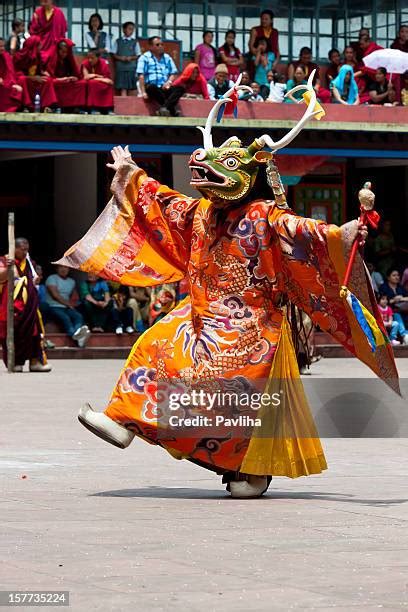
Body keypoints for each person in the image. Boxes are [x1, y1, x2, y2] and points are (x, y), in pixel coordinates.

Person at [59, 80, 398, 500]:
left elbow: (305, 233)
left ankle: (247, 470)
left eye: (228, 163)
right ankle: (123, 419)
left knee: (224, 395)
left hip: (250, 326)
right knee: (152, 346)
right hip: (198, 314)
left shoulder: (264, 215)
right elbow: (162, 204)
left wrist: (345, 234)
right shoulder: (201, 211)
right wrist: (133, 175)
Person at [0, 238, 51, 372]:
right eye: (22, 249)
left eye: (26, 249)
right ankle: (15, 362)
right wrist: (8, 269)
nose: (25, 252)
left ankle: (35, 362)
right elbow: (1, 277)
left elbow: (33, 279)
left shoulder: (29, 262)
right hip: (11, 305)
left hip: (28, 305)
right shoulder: (5, 260)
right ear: (14, 248)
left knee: (34, 333)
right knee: (12, 333)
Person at [45, 265, 90, 347]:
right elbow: (55, 295)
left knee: (78, 316)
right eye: (61, 267)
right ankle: (76, 336)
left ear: (69, 269)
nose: (63, 269)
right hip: (53, 306)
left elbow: (74, 296)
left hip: (66, 307)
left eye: (66, 267)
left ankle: (78, 335)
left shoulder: (71, 281)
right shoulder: (52, 278)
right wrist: (68, 304)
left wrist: (74, 303)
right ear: (57, 269)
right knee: (65, 318)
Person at [136, 36, 180, 117]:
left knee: (180, 89)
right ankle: (171, 109)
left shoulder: (167, 57)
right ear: (150, 47)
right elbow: (141, 75)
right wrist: (143, 92)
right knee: (151, 88)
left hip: (164, 87)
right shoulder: (144, 57)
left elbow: (173, 73)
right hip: (152, 87)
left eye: (162, 44)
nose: (160, 46)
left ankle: (164, 108)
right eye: (157, 45)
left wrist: (168, 82)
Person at [14, 35, 58, 112]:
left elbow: (38, 70)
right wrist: (32, 78)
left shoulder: (38, 56)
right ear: (34, 46)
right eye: (39, 45)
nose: (41, 47)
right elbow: (17, 74)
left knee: (47, 80)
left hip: (34, 79)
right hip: (26, 80)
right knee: (22, 80)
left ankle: (46, 106)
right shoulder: (19, 56)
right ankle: (26, 106)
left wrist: (42, 73)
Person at [46, 38, 86, 112]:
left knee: (81, 83)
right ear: (58, 50)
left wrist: (73, 78)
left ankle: (75, 107)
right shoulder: (52, 58)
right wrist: (61, 79)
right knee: (52, 83)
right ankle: (54, 106)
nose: (64, 54)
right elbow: (49, 76)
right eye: (62, 52)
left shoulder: (68, 59)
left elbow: (75, 73)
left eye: (66, 52)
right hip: (57, 81)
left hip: (66, 81)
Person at [379, 269, 408, 345]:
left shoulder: (400, 287)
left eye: (398, 275)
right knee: (396, 315)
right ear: (388, 277)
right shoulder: (384, 287)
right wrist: (393, 300)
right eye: (394, 275)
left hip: (403, 311)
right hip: (389, 312)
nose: (397, 277)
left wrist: (401, 298)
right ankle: (404, 335)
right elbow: (381, 301)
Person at [81, 50, 114, 115]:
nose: (90, 60)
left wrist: (94, 77)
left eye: (92, 58)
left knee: (106, 85)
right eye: (89, 58)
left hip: (100, 82)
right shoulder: (85, 63)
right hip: (90, 83)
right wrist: (97, 76)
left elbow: (108, 80)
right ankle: (93, 108)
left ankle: (107, 108)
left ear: (98, 58)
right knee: (92, 83)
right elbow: (86, 77)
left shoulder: (103, 63)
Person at [0, 37, 29, 112]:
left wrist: (12, 83)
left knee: (21, 81)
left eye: (3, 46)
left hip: (6, 81)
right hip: (2, 83)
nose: (2, 48)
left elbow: (10, 72)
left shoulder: (6, 56)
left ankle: (23, 106)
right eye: (0, 46)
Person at [112, 21, 140, 96]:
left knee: (131, 87)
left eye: (132, 29)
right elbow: (114, 54)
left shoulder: (135, 42)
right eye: (129, 29)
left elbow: (138, 55)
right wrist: (121, 58)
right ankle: (123, 102)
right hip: (121, 68)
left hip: (131, 67)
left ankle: (131, 106)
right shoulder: (118, 41)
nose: (131, 31)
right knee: (122, 87)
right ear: (124, 30)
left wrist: (130, 58)